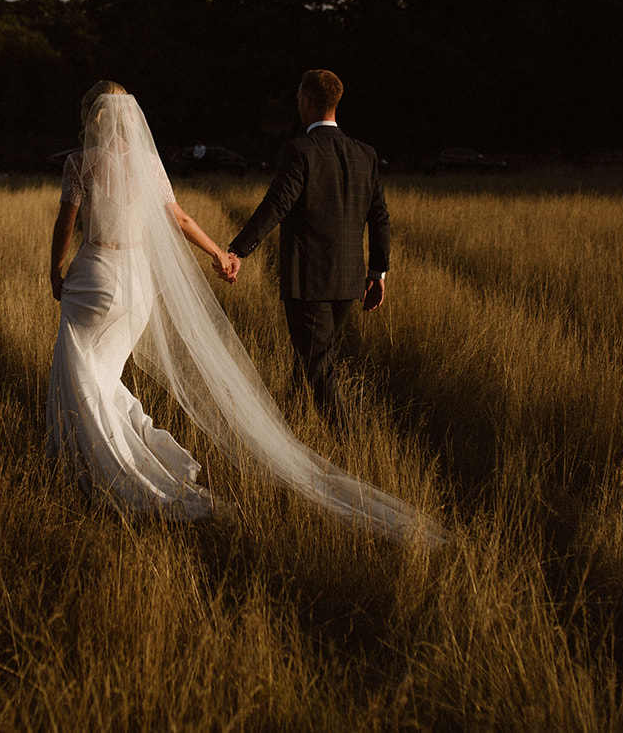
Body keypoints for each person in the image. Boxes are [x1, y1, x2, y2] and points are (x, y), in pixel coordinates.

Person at [48, 81, 443, 544]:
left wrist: (56, 274)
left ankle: (108, 469)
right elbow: (180, 218)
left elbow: (65, 225)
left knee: (82, 376)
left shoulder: (80, 163)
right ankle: (118, 460)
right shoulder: (148, 164)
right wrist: (219, 252)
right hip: (137, 287)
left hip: (94, 278)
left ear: (93, 115)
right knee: (101, 376)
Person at [227, 70, 388, 431]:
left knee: (318, 367)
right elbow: (380, 217)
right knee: (310, 361)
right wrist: (377, 273)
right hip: (349, 282)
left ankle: (348, 444)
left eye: (298, 100)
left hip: (309, 280)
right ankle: (289, 429)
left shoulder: (300, 150)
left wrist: (239, 249)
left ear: (306, 103)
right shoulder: (365, 154)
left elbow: (277, 204)